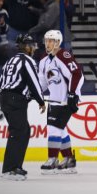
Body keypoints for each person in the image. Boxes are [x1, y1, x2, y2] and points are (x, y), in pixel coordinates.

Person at [0, 34, 45, 181]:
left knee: (22, 131)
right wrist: (40, 100)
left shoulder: (11, 60)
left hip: (6, 99)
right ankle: (10, 169)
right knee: (19, 132)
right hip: (15, 100)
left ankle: (16, 166)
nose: (34, 48)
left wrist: (22, 95)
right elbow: (33, 82)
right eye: (32, 45)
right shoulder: (28, 60)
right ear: (26, 46)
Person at [37, 30, 84, 174]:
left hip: (65, 101)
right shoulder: (44, 61)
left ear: (58, 42)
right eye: (47, 40)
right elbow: (42, 83)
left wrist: (72, 95)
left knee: (54, 129)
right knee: (61, 130)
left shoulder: (63, 55)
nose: (48, 43)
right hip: (54, 101)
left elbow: (77, 74)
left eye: (51, 40)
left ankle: (52, 159)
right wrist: (33, 93)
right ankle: (69, 160)